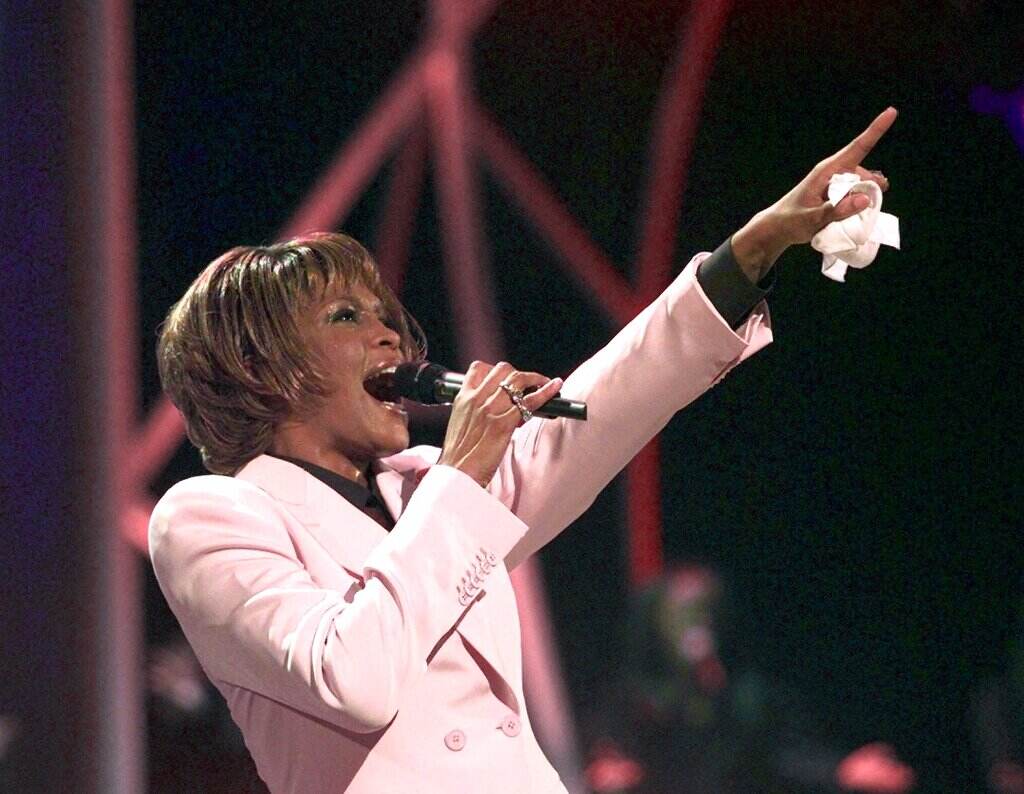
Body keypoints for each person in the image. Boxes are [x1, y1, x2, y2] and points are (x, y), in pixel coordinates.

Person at [148, 108, 898, 793]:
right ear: (261, 367)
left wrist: (756, 244)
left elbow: (604, 409)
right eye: (347, 317)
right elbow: (352, 676)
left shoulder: (421, 490)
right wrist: (463, 472)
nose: (392, 335)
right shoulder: (211, 515)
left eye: (387, 316)